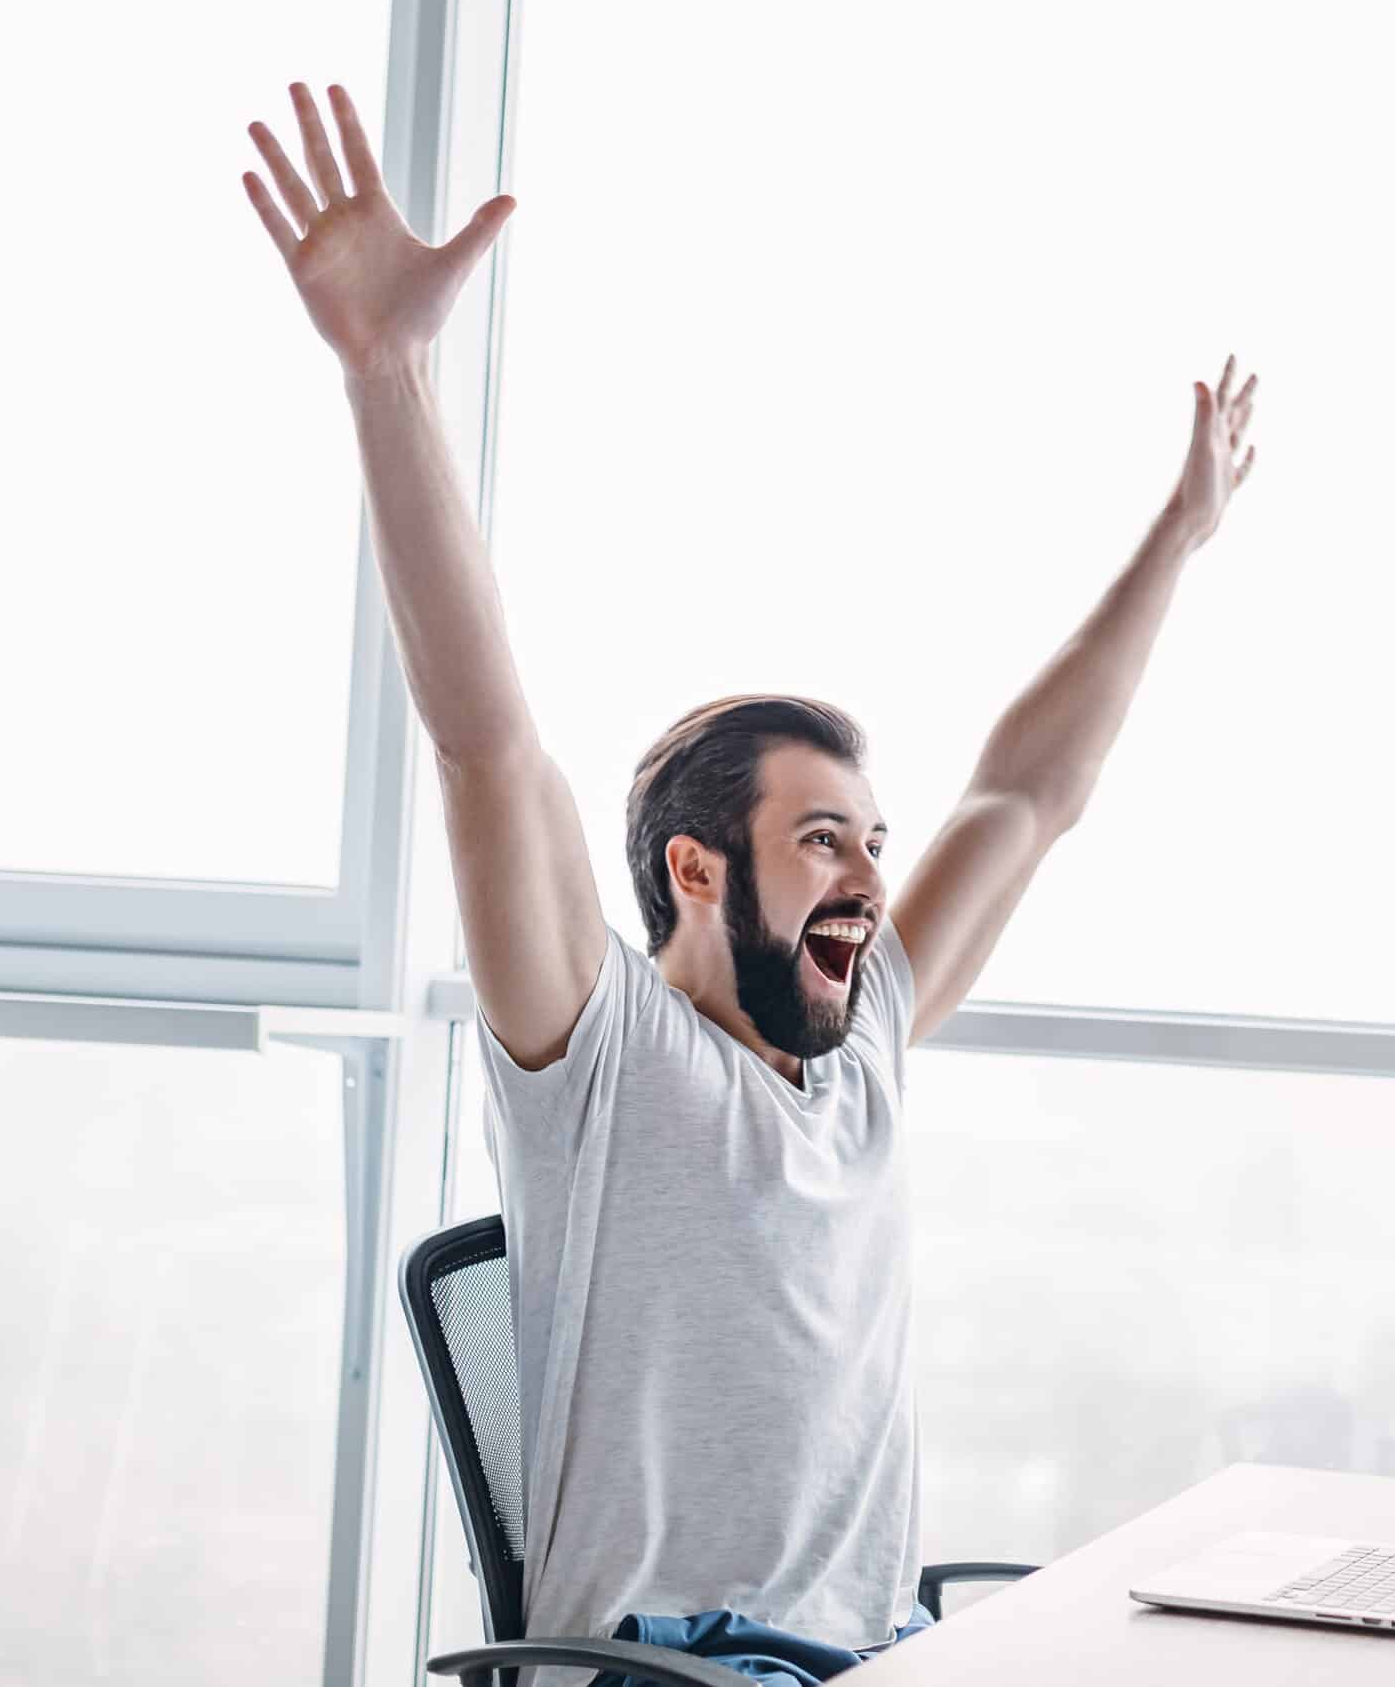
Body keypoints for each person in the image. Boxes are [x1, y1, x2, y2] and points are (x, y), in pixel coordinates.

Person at [241, 82, 1260, 1687]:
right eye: (822, 840)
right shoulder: (607, 1059)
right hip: (678, 1675)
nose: (869, 872)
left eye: (868, 836)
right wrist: (388, 375)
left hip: (866, 1658)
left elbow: (1026, 793)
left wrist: (1177, 539)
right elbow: (486, 743)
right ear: (698, 871)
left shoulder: (863, 1061)